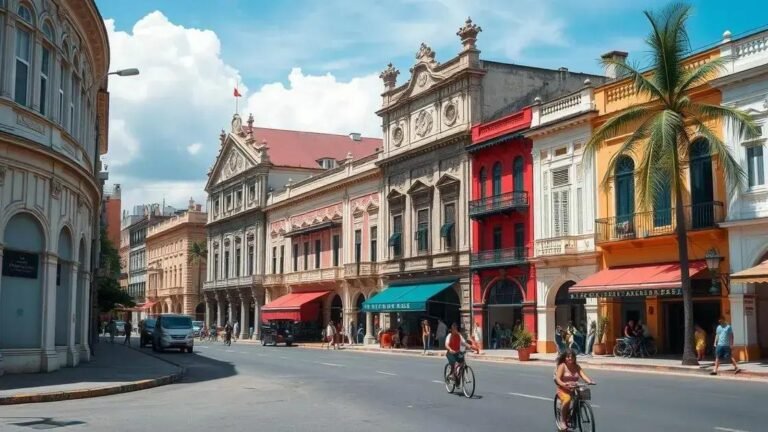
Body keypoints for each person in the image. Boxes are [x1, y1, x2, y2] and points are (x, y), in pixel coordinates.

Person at [554, 349, 595, 431]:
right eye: (568, 357)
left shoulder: (576, 366)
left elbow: (583, 376)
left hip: (574, 388)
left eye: (572, 357)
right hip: (563, 389)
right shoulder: (562, 366)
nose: (570, 358)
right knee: (567, 399)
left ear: (574, 358)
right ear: (565, 358)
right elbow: (558, 379)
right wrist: (563, 384)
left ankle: (572, 414)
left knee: (582, 396)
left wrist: (589, 381)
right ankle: (562, 421)